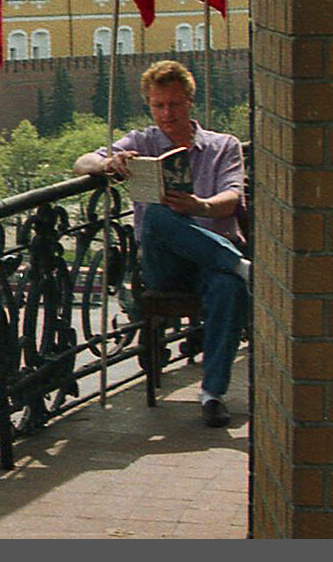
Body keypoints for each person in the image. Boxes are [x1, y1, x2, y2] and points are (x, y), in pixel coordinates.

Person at [74, 59, 249, 428]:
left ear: (190, 102)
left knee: (229, 287)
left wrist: (200, 206)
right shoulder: (141, 142)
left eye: (174, 104)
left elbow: (233, 197)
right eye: (158, 105)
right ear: (150, 106)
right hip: (165, 265)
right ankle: (241, 266)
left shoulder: (223, 146)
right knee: (156, 215)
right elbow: (82, 161)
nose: (166, 114)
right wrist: (111, 164)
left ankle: (212, 394)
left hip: (209, 261)